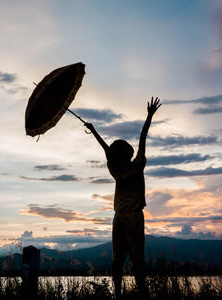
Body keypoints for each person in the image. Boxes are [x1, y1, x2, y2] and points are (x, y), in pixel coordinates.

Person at [85, 97, 161, 298]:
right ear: (129, 153)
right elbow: (142, 138)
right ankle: (142, 292)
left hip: (118, 217)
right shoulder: (136, 167)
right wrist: (149, 115)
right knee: (137, 258)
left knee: (117, 259)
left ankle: (117, 294)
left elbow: (107, 151)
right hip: (134, 217)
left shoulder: (115, 171)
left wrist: (94, 132)